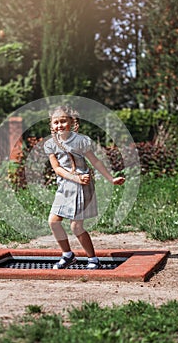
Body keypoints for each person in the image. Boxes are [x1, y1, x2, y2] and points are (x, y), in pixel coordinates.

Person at [44, 105, 125, 270]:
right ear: (51, 125)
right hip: (65, 185)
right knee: (53, 222)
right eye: (56, 122)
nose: (59, 125)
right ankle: (68, 255)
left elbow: (95, 161)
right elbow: (57, 168)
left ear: (72, 122)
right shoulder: (50, 144)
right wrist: (73, 177)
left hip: (82, 186)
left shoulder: (80, 141)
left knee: (76, 226)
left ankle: (93, 259)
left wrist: (111, 179)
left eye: (63, 121)